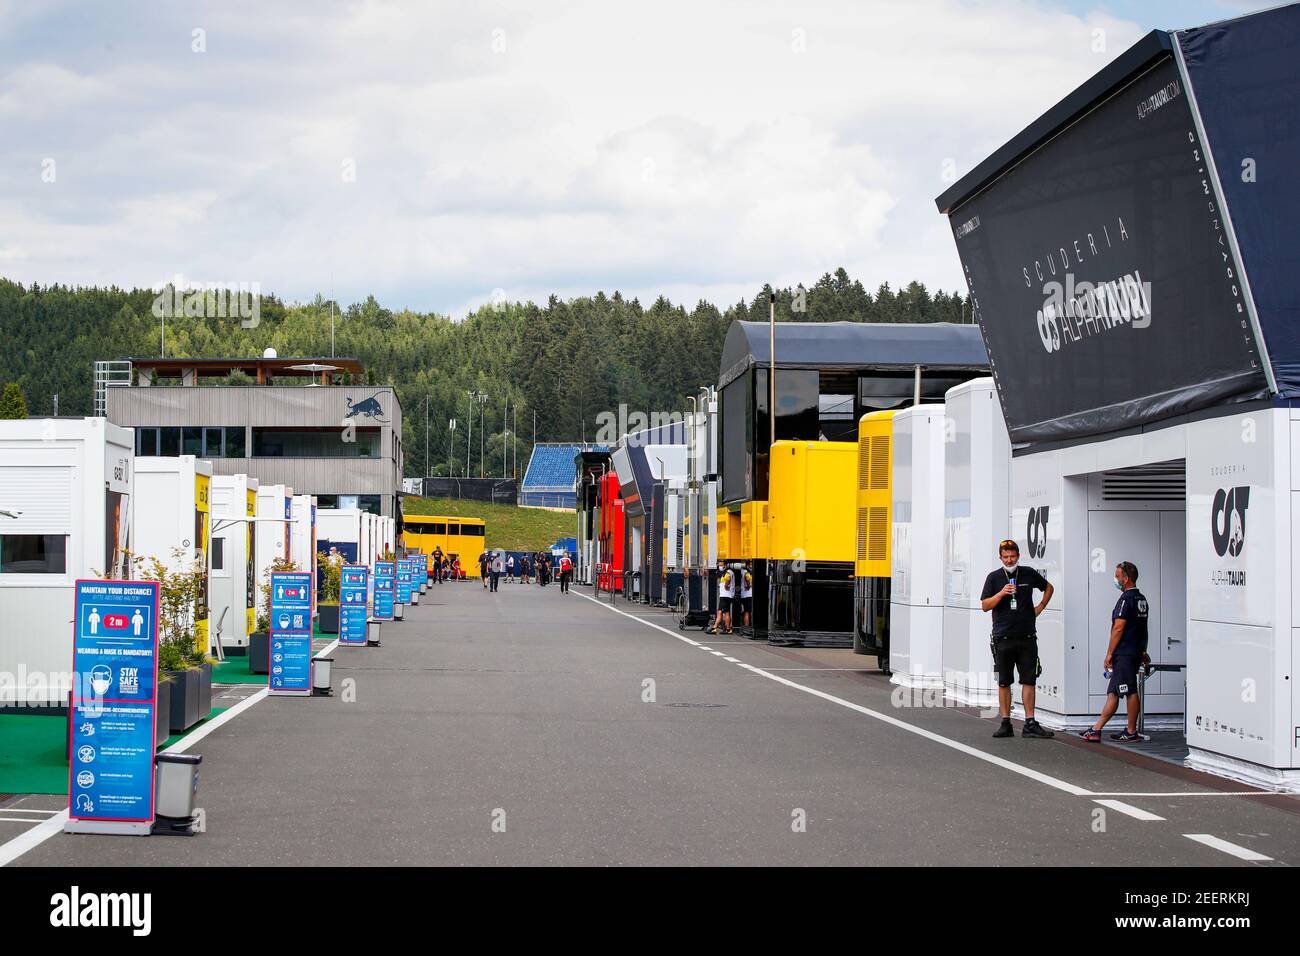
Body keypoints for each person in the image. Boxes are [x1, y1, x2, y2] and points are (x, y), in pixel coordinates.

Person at [980, 539, 1055, 739]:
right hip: (1003, 636)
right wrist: (1001, 594)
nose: (1009, 560)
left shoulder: (1028, 573)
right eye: (1006, 557)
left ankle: (1030, 722)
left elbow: (1049, 587)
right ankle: (1005, 722)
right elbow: (985, 605)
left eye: (1012, 556)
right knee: (1004, 681)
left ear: (1018, 556)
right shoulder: (994, 577)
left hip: (1027, 635)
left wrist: (1040, 607)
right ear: (1000, 557)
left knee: (1029, 679)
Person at [1080, 562, 1151, 743]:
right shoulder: (1141, 599)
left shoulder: (1125, 600)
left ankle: (1123, 730)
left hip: (1124, 653)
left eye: (1117, 576)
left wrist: (1109, 653)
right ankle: (1099, 728)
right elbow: (1143, 628)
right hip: (1134, 651)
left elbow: (1118, 628)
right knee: (1114, 691)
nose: (1116, 579)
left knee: (1128, 691)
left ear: (1126, 579)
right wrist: (1143, 650)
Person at [708, 561, 734, 635]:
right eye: (719, 564)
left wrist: (726, 585)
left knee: (719, 611)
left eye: (721, 564)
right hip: (727, 595)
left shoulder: (727, 572)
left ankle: (714, 628)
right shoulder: (728, 572)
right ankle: (728, 628)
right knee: (727, 612)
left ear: (725, 565)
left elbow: (728, 579)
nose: (720, 566)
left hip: (725, 595)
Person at [740, 562, 753, 629]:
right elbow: (747, 579)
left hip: (743, 594)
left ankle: (746, 625)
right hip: (748, 595)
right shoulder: (747, 572)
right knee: (748, 611)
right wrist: (749, 585)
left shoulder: (742, 571)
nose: (751, 566)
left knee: (746, 611)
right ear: (747, 565)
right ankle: (748, 625)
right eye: (750, 564)